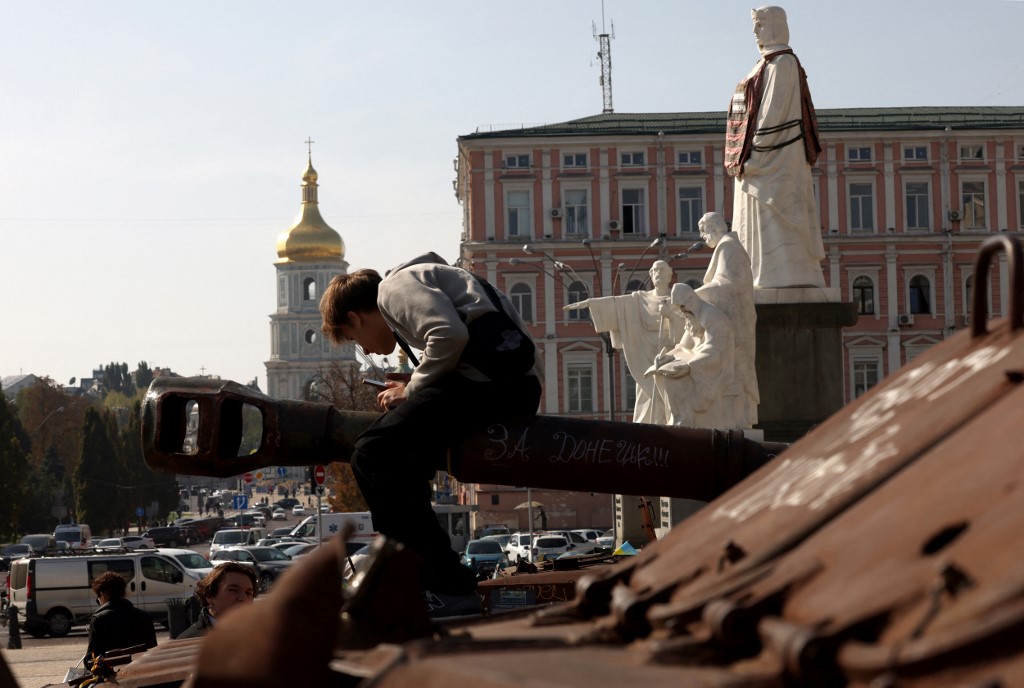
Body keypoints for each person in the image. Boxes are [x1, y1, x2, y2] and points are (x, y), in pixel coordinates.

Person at [319, 253, 542, 616]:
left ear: (355, 317)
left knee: (372, 453)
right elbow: (456, 342)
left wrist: (412, 390)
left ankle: (439, 583)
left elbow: (448, 334)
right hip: (505, 382)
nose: (367, 351)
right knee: (404, 460)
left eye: (354, 339)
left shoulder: (392, 289)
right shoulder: (421, 280)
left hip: (499, 384)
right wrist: (417, 382)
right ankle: (438, 581)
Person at [725, 5, 826, 289]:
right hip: (756, 160)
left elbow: (775, 112)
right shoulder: (765, 64)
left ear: (774, 26)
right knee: (757, 223)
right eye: (755, 25)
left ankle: (782, 278)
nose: (755, 31)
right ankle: (760, 276)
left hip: (774, 159)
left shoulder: (784, 64)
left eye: (760, 25)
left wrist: (755, 154)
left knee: (777, 218)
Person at [564, 260, 685, 425]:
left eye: (663, 270)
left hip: (669, 355)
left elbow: (688, 328)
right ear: (651, 275)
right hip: (644, 355)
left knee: (669, 395)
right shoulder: (640, 298)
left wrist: (670, 316)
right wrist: (591, 304)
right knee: (647, 394)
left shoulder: (677, 299)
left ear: (670, 275)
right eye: (655, 270)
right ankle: (648, 430)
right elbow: (618, 304)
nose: (659, 273)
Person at [696, 212, 759, 428]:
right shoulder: (728, 247)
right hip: (735, 316)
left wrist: (694, 296)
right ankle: (737, 417)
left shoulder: (728, 248)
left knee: (737, 369)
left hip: (736, 319)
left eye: (704, 233)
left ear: (713, 228)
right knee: (735, 369)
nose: (704, 239)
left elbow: (725, 284)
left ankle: (740, 418)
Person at [645, 284, 738, 429]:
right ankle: (677, 417)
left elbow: (716, 351)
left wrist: (689, 366)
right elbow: (683, 347)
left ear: (691, 302)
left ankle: (683, 419)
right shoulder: (692, 318)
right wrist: (667, 357)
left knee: (674, 378)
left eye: (683, 307)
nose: (682, 312)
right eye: (679, 309)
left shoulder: (712, 317)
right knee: (662, 372)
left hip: (714, 369)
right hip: (698, 364)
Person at [84, 572, 157, 660]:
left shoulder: (98, 620)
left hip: (113, 672)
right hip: (142, 670)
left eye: (97, 597)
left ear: (102, 594)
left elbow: (91, 660)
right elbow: (153, 651)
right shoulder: (144, 616)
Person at [177, 562, 257, 638]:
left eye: (248, 593)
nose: (242, 598)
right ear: (209, 595)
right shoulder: (188, 641)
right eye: (233, 590)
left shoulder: (260, 636)